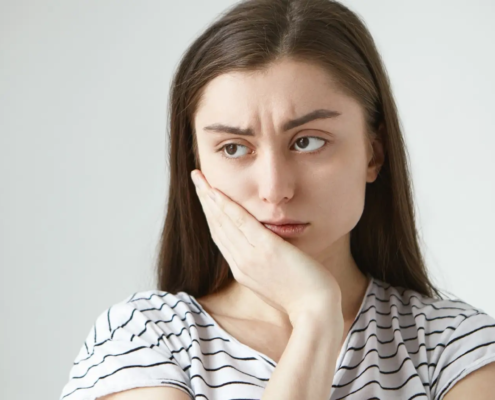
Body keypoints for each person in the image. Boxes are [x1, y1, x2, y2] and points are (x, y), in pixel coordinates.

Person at [59, 0, 495, 399]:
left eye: (308, 141)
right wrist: (314, 316)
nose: (275, 188)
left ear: (373, 152)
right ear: (197, 168)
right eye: (233, 148)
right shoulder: (144, 339)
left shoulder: (457, 348)